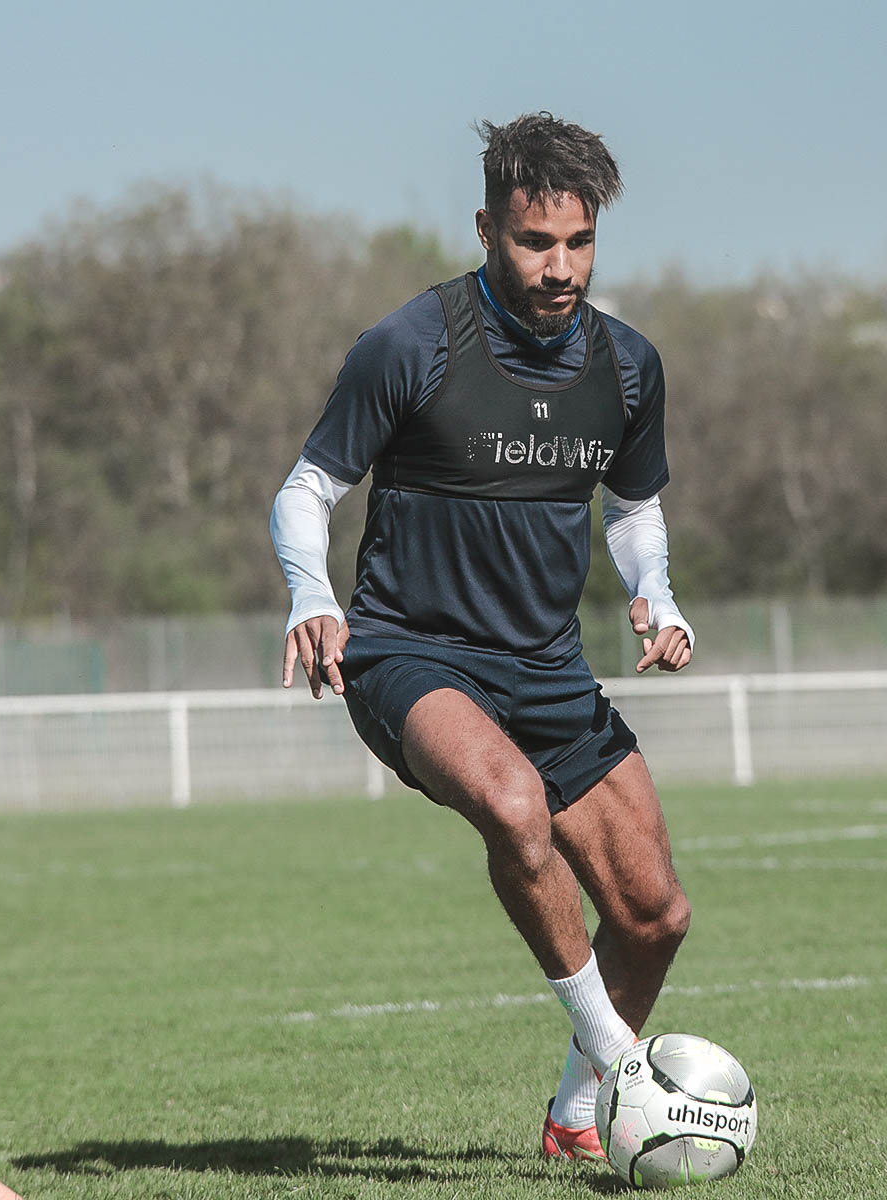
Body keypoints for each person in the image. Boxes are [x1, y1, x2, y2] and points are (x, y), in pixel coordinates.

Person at [269, 112, 695, 1162]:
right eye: (534, 242)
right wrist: (307, 596)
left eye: (579, 243)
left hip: (546, 667)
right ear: (485, 229)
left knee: (655, 916)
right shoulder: (410, 345)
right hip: (412, 655)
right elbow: (307, 488)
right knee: (513, 807)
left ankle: (571, 1119)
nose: (560, 268)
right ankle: (623, 1071)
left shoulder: (627, 366)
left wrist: (659, 595)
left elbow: (632, 510)